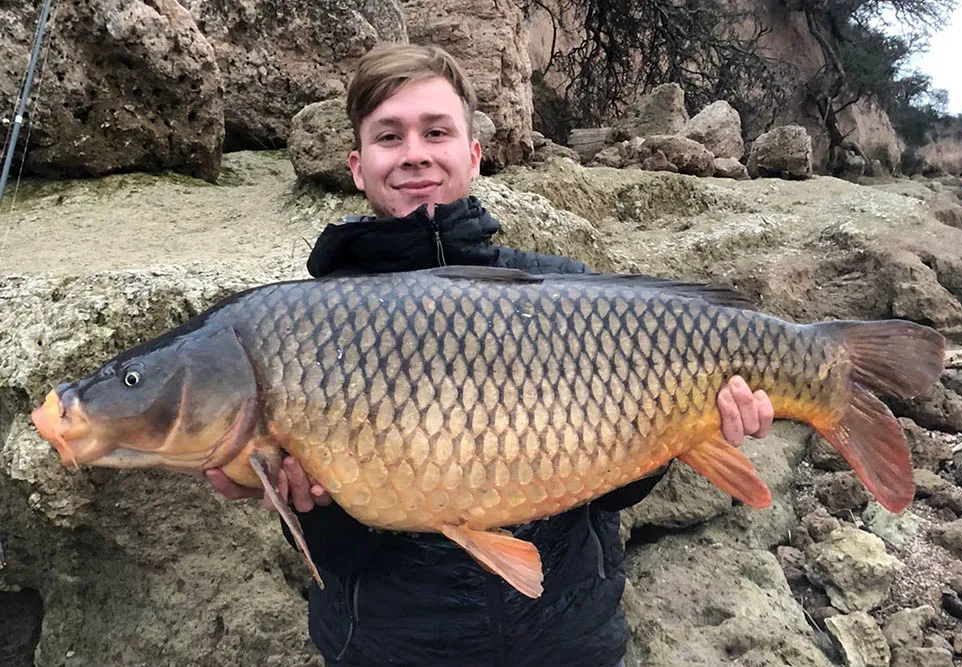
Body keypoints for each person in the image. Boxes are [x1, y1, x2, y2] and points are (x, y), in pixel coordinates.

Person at [206, 43, 774, 667]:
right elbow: (341, 560)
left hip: (567, 639)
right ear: (358, 166)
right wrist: (300, 500)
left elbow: (612, 496)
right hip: (391, 648)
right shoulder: (307, 331)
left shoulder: (565, 291)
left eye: (437, 131)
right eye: (389, 136)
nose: (415, 152)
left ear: (473, 154)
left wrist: (687, 428)